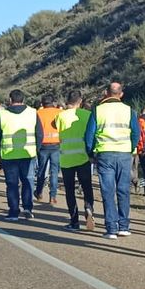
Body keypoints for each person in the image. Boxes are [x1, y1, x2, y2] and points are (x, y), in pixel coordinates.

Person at [87, 80, 136, 239]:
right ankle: (124, 226)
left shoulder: (98, 110)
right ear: (121, 94)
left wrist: (91, 152)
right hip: (123, 153)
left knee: (108, 191)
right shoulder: (129, 110)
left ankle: (111, 228)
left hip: (104, 153)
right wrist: (130, 148)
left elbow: (89, 135)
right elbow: (136, 133)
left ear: (106, 93)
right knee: (123, 190)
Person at [0, 89, 39, 220]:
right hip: (28, 154)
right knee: (28, 181)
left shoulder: (2, 115)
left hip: (8, 156)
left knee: (12, 184)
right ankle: (28, 208)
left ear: (10, 100)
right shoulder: (33, 113)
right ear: (23, 100)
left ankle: (13, 211)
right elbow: (39, 134)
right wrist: (36, 150)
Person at [55, 90, 95, 232]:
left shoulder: (60, 116)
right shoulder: (87, 115)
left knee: (70, 191)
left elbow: (58, 131)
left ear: (68, 100)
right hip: (83, 157)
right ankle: (89, 208)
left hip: (66, 159)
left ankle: (74, 221)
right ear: (80, 101)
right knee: (87, 187)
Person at [33, 94, 62, 206]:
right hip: (56, 144)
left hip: (43, 145)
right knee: (54, 172)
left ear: (42, 103)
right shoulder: (59, 113)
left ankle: (39, 192)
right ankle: (53, 196)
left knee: (41, 170)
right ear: (53, 102)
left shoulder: (38, 113)